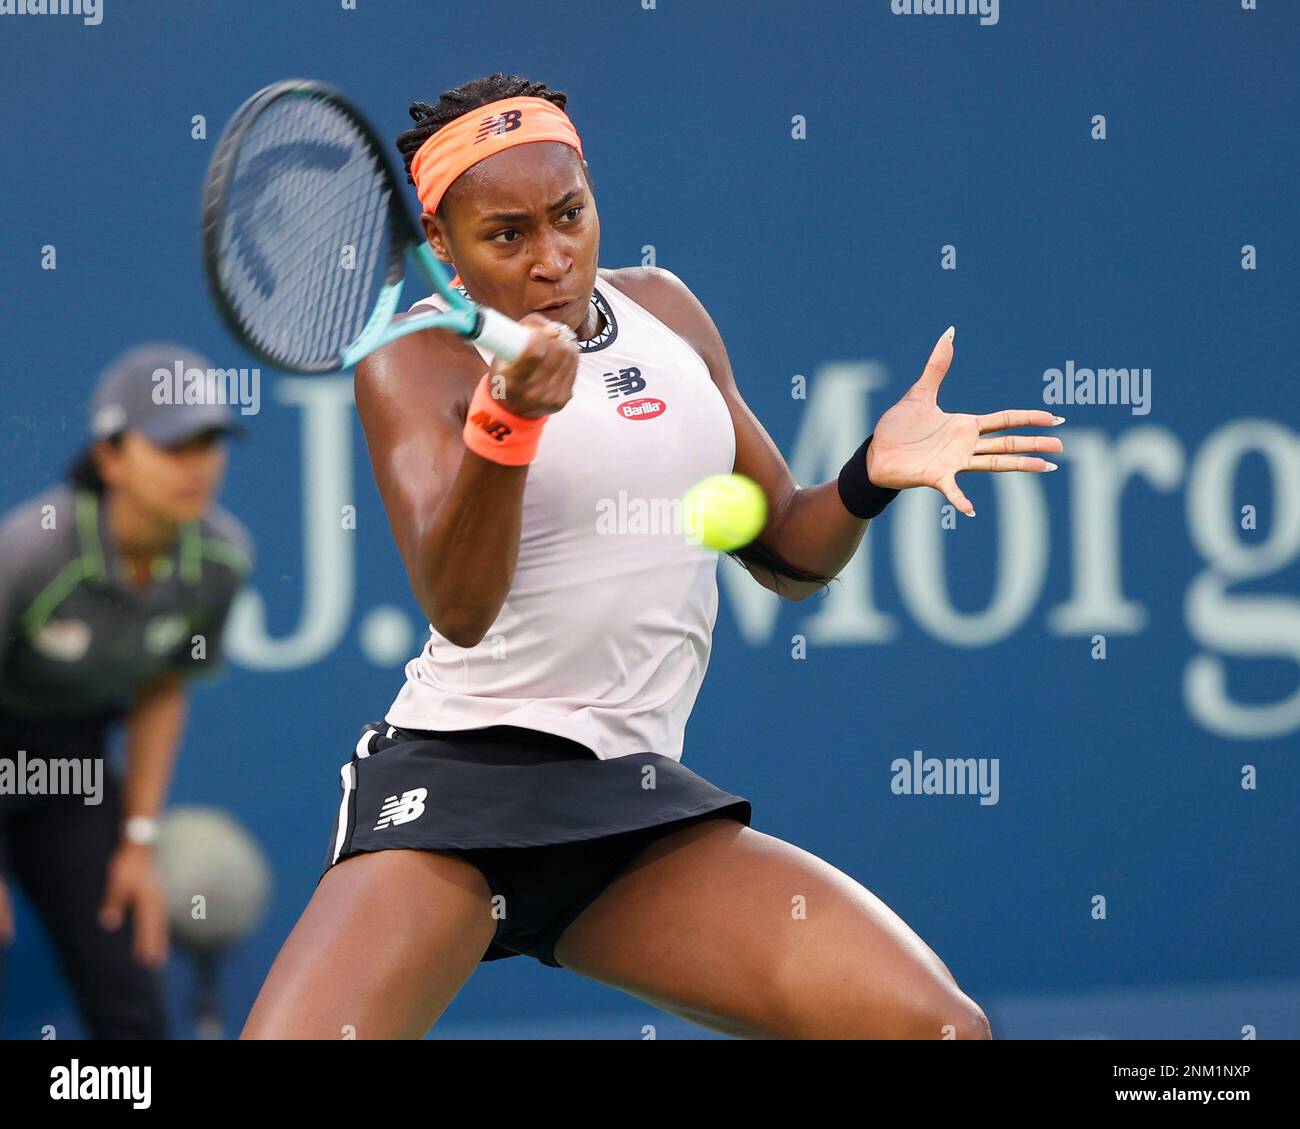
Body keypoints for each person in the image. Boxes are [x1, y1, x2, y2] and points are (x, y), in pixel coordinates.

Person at [242, 73, 1063, 1040]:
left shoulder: (666, 310)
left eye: (569, 214)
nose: (552, 257)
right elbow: (460, 604)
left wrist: (868, 477)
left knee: (938, 1031)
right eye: (506, 235)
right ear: (444, 251)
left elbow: (790, 558)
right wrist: (509, 418)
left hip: (627, 804)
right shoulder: (416, 360)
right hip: (460, 790)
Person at [0, 344, 252, 1039]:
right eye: (174, 444)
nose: (197, 464)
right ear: (111, 457)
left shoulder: (221, 561)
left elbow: (163, 688)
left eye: (210, 442)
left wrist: (138, 840)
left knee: (127, 995)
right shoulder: (30, 553)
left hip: (73, 763)